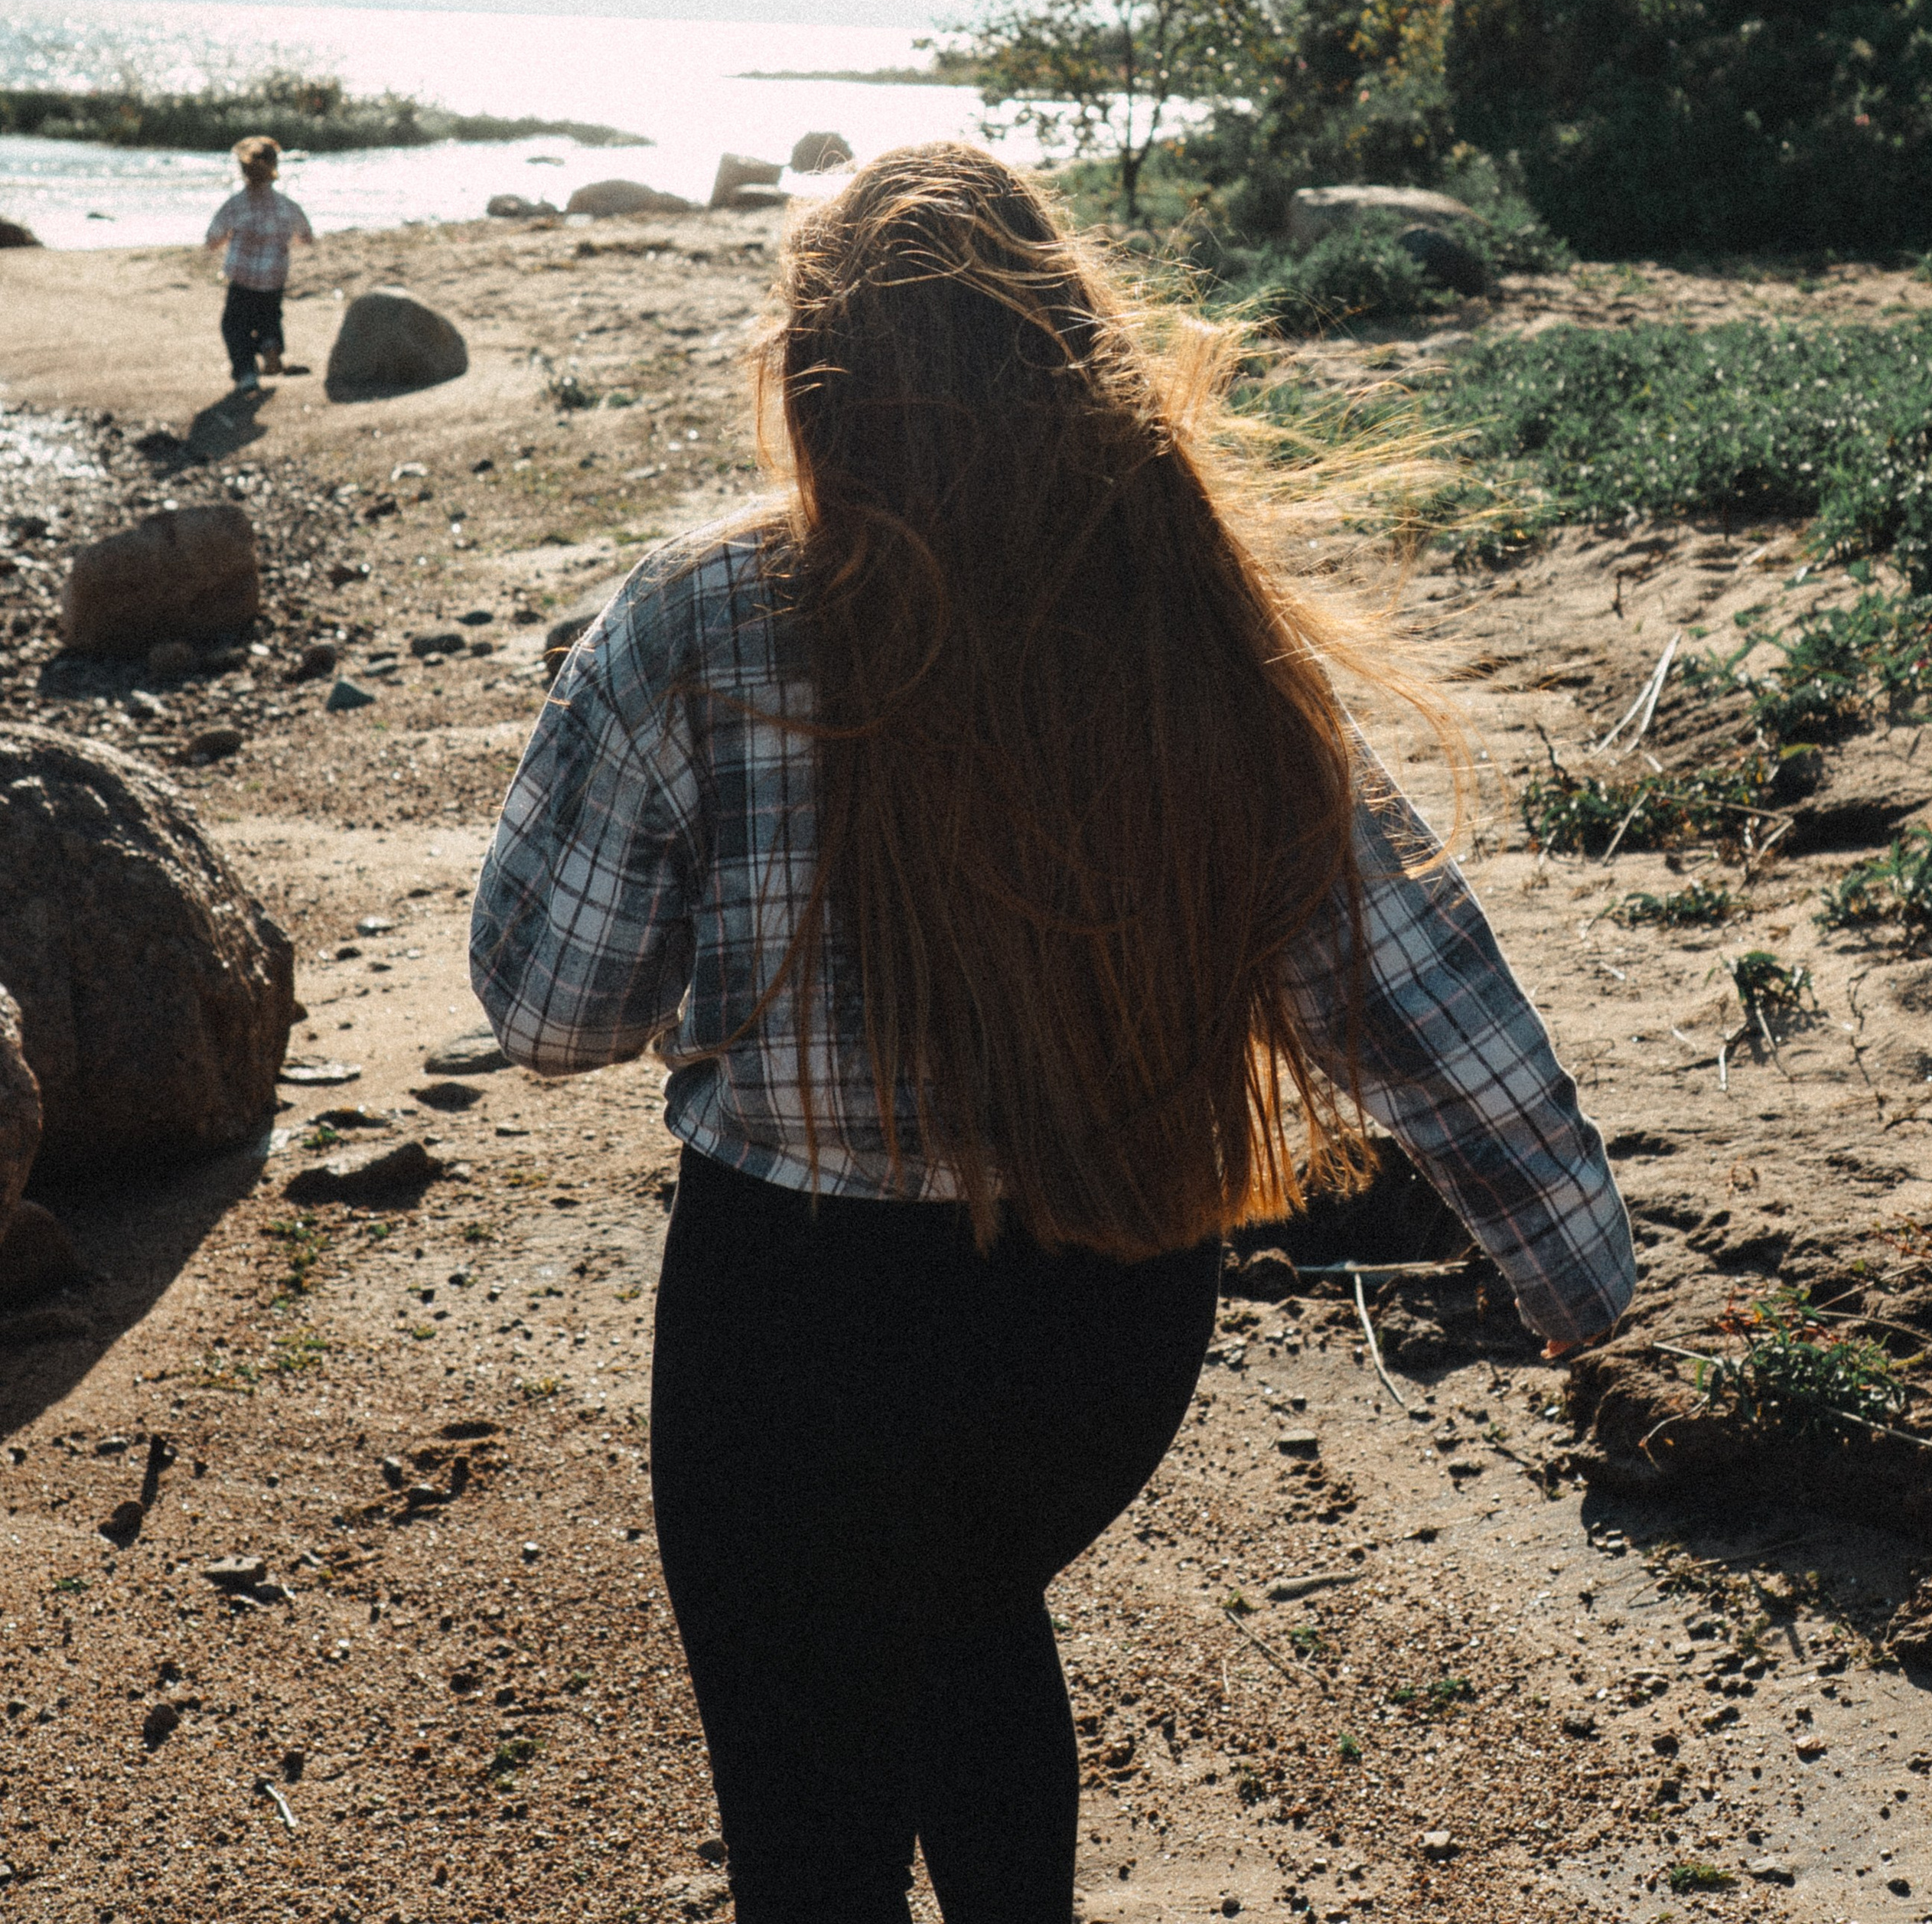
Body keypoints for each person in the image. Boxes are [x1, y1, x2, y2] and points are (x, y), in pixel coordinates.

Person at [470, 144, 1634, 1924]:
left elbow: (548, 1009)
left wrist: (702, 948)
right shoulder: (1193, 621)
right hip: (1102, 1310)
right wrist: (1574, 1277)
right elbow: (1410, 984)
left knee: (810, 1822)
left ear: (811, 378)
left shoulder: (699, 618)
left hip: (788, 1322)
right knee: (958, 1615)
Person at [204, 135, 313, 390]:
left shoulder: (236, 205)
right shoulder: (286, 206)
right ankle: (270, 346)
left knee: (234, 325)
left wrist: (226, 240)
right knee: (269, 317)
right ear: (275, 169)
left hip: (242, 278)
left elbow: (212, 239)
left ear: (243, 171)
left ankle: (246, 374)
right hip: (274, 276)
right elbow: (306, 236)